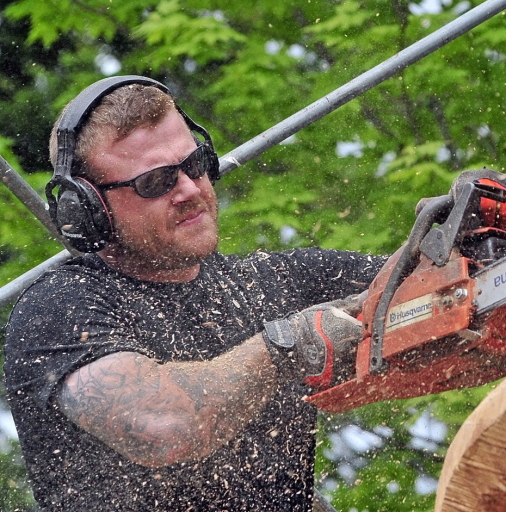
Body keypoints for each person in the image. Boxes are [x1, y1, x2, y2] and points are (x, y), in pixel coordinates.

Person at [3, 76, 388, 511]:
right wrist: (288, 345)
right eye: (156, 182)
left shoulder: (269, 281)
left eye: (195, 164)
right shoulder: (60, 306)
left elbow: (424, 282)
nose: (189, 190)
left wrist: (467, 232)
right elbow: (165, 427)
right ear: (88, 207)